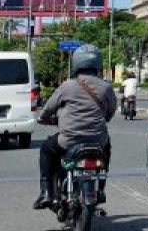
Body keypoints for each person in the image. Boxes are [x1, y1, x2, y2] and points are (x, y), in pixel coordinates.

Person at [32, 44, 116, 210]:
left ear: (76, 63)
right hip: (98, 140)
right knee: (106, 151)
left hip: (69, 140)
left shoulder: (67, 86)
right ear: (98, 64)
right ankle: (100, 188)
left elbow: (48, 108)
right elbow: (110, 111)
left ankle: (46, 192)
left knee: (47, 149)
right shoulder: (106, 88)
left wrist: (43, 118)